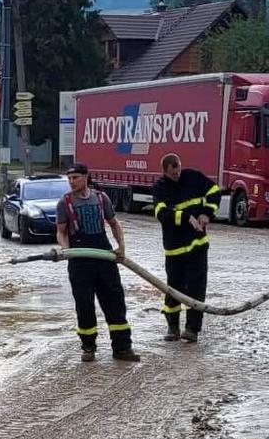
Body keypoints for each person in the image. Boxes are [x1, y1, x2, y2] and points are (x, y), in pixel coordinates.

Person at [56, 164, 139, 364]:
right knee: (84, 306)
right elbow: (60, 231)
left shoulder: (102, 198)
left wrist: (121, 247)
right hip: (80, 263)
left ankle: (122, 348)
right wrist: (67, 250)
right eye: (70, 178)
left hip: (104, 259)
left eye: (75, 177)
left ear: (86, 177)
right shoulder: (64, 203)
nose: (72, 181)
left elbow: (114, 223)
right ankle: (88, 347)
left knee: (115, 303)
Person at [152, 152, 220, 344]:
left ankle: (192, 329)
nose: (178, 174)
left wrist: (207, 213)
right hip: (174, 250)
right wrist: (185, 217)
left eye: (179, 169)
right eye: (173, 172)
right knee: (173, 289)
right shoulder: (160, 188)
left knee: (197, 287)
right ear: (165, 171)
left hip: (198, 246)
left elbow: (214, 191)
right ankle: (173, 327)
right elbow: (161, 213)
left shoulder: (193, 177)